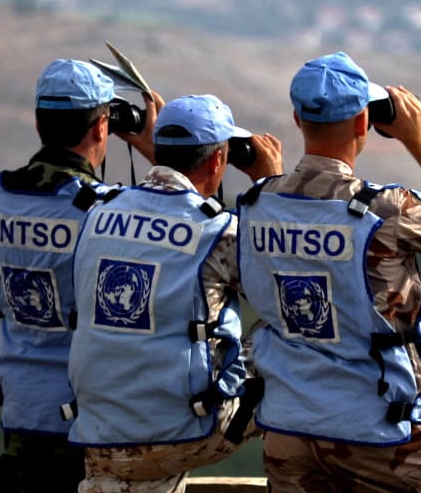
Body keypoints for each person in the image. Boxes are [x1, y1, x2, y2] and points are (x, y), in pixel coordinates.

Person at [237, 52, 421, 492]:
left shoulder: (255, 203)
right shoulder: (384, 209)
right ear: (364, 122)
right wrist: (418, 139)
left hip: (288, 429)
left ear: (297, 119)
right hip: (376, 429)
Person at [68, 94, 283, 493]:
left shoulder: (96, 211)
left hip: (96, 433)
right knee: (288, 345)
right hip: (184, 432)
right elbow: (289, 287)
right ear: (218, 160)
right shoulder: (221, 232)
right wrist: (268, 186)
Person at [0, 58, 163, 493]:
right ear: (102, 128)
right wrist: (154, 153)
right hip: (92, 425)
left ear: (39, 123)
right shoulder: (109, 210)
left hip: (22, 415)